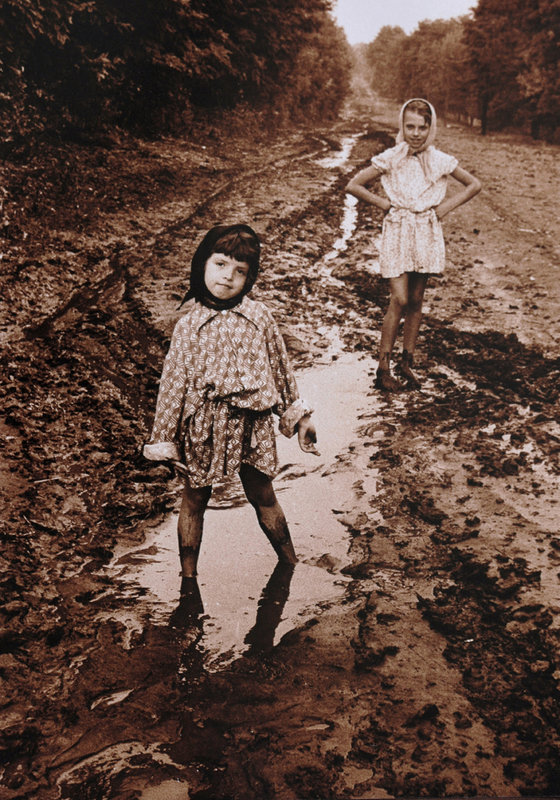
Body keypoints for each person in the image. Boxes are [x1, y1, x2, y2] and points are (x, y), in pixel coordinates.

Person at [144, 224, 318, 585]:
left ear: (250, 277)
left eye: (240, 271)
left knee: (263, 493)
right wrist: (165, 441)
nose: (228, 277)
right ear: (202, 265)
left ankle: (290, 564)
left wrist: (300, 419)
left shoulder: (259, 317)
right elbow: (173, 386)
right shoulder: (189, 326)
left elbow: (280, 368)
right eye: (220, 265)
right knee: (195, 499)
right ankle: (188, 579)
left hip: (254, 423)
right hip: (204, 426)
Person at [346, 98, 481, 391]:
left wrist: (444, 208)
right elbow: (354, 184)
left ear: (430, 128)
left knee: (417, 299)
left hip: (426, 231)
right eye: (410, 127)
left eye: (422, 127)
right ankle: (383, 367)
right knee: (400, 298)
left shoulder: (439, 160)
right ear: (402, 126)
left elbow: (474, 184)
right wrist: (384, 204)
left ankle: (406, 363)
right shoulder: (391, 157)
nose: (416, 133)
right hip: (398, 230)